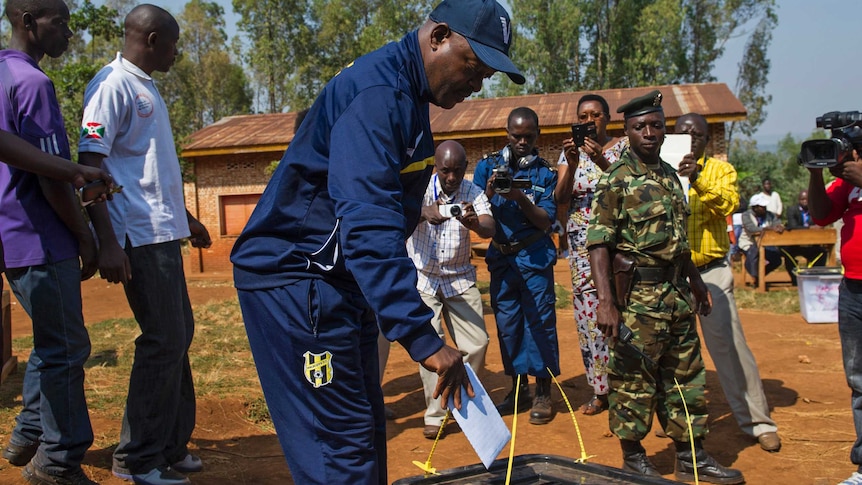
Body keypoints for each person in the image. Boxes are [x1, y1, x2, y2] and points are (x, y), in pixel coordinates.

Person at [229, 1, 525, 483]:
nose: (478, 84)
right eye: (475, 67)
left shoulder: (405, 96)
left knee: (363, 433)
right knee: (340, 450)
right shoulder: (379, 94)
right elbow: (368, 223)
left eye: (487, 75)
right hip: (300, 282)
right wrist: (422, 337)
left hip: (338, 285)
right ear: (439, 37)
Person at [77, 5, 212, 485]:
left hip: (163, 232)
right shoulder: (110, 86)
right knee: (163, 341)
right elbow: (90, 167)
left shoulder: (145, 87)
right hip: (136, 236)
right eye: (174, 43)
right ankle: (136, 458)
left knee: (178, 336)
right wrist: (108, 243)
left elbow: (150, 173)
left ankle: (170, 447)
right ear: (153, 39)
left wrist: (188, 219)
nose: (177, 52)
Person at [586, 90, 744, 483]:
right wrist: (605, 302)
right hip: (637, 299)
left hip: (676, 296)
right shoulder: (616, 180)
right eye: (640, 127)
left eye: (656, 125)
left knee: (686, 377)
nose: (650, 133)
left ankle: (692, 456)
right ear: (627, 131)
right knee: (633, 381)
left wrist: (695, 282)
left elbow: (678, 241)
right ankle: (634, 457)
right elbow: (598, 243)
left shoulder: (671, 176)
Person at [0, 1, 101, 484]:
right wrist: (86, 236)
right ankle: (58, 462)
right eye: (59, 23)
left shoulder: (0, 74)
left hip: (11, 237)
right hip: (43, 236)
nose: (67, 33)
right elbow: (51, 177)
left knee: (49, 342)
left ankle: (27, 433)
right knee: (66, 348)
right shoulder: (33, 84)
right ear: (27, 23)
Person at [675, 112, 781, 453]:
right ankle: (678, 422)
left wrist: (697, 178)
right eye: (683, 133)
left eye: (698, 135)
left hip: (710, 273)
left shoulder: (721, 170)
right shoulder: (660, 168)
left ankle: (758, 421)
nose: (690, 139)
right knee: (672, 353)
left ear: (707, 140)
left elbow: (727, 205)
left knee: (730, 348)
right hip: (670, 276)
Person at [473, 106, 560, 425]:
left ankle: (543, 392)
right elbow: (477, 209)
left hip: (533, 257)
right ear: (506, 134)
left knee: (540, 324)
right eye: (516, 135)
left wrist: (520, 199)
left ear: (537, 135)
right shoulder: (487, 167)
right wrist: (490, 190)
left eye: (528, 136)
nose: (522, 141)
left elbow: (546, 220)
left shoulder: (545, 174)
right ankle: (518, 387)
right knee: (508, 326)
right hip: (502, 259)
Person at [407, 140, 494, 439]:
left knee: (478, 343)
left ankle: (460, 402)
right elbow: (399, 217)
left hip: (459, 279)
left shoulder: (473, 192)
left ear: (465, 168)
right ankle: (436, 414)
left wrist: (474, 224)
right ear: (436, 168)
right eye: (446, 171)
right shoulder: (419, 189)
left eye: (458, 170)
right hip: (424, 279)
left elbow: (489, 226)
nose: (452, 178)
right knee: (432, 346)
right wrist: (423, 213)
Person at [553, 94, 628, 416]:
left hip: (619, 244)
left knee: (622, 309)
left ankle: (628, 387)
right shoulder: (568, 153)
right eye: (583, 116)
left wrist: (601, 162)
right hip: (583, 248)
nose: (588, 121)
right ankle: (601, 390)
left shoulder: (624, 148)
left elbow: (631, 189)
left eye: (595, 115)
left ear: (607, 119)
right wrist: (572, 164)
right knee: (588, 316)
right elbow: (560, 198)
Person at [807, 147, 862, 485]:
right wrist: (815, 173)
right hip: (853, 291)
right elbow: (821, 214)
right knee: (859, 381)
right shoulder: (850, 183)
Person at [738, 193, 785, 286]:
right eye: (761, 206)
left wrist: (780, 226)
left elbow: (777, 223)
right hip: (749, 243)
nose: (764, 208)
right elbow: (752, 229)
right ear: (754, 207)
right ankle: (755, 277)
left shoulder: (770, 214)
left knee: (776, 259)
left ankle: (760, 276)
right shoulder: (746, 215)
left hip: (766, 244)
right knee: (753, 255)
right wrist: (769, 228)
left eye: (764, 206)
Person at [783, 189, 828, 285]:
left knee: (822, 253)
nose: (805, 201)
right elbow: (792, 226)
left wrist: (820, 226)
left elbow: (820, 223)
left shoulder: (815, 210)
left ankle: (814, 278)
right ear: (798, 200)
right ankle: (795, 280)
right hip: (794, 244)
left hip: (811, 245)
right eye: (802, 199)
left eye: (807, 199)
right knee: (787, 254)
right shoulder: (792, 210)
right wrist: (810, 228)